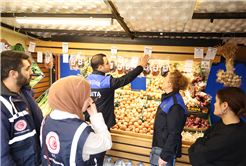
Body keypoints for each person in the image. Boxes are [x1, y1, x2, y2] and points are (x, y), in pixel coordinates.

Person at [85, 54, 149, 165]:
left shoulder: (85, 80)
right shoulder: (107, 81)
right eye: (107, 63)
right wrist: (140, 67)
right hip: (102, 125)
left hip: (87, 124)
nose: (110, 64)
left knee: (88, 154)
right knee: (99, 155)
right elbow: (126, 79)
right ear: (100, 67)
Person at [40, 76, 112, 166]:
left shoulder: (46, 120)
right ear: (75, 98)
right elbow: (106, 143)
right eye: (87, 95)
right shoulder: (81, 133)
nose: (90, 100)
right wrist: (95, 116)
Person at [0, 50, 43, 166]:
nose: (31, 72)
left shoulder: (25, 93)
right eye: (27, 69)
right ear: (13, 74)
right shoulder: (3, 106)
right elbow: (2, 158)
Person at [188, 87, 246, 166]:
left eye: (216, 101)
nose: (214, 104)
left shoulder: (225, 137)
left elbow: (194, 154)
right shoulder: (231, 124)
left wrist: (200, 142)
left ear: (225, 105)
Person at [151, 70, 189, 166]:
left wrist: (165, 156)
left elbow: (174, 133)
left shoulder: (175, 105)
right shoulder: (169, 98)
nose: (163, 81)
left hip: (164, 152)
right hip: (160, 147)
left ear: (169, 84)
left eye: (166, 79)